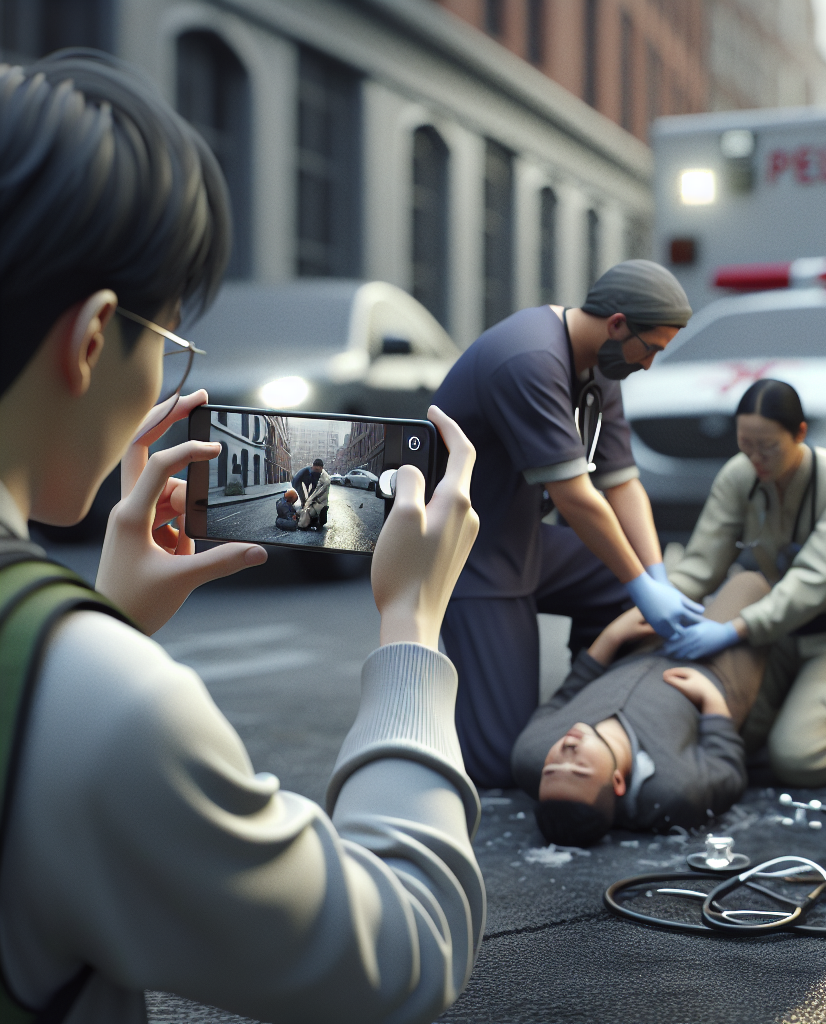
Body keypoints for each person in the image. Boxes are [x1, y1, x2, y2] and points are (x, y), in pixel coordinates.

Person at [0, 51, 484, 1023]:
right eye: (172, 345)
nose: (168, 383)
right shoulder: (96, 703)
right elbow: (406, 947)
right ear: (95, 338)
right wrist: (410, 628)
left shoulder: (77, 677)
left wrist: (103, 620)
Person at [432, 260, 703, 787]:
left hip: (522, 538)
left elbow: (621, 481)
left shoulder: (602, 364)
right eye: (651, 349)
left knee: (626, 592)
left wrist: (655, 577)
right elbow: (576, 497)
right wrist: (642, 586)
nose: (649, 365)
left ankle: (591, 711)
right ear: (619, 324)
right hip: (471, 553)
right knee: (502, 764)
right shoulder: (529, 357)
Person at [663, 379, 826, 787]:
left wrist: (733, 629)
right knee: (726, 735)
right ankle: (804, 698)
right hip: (779, 634)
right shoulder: (741, 475)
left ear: (800, 433)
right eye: (745, 444)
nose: (755, 458)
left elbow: (811, 583)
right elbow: (702, 563)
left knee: (801, 762)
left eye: (767, 446)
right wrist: (661, 608)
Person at [511, 572, 771, 846]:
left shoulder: (530, 752)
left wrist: (611, 637)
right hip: (712, 669)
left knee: (671, 584)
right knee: (749, 584)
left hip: (633, 652)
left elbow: (566, 694)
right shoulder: (674, 790)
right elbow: (728, 770)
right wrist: (712, 702)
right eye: (579, 769)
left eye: (550, 768)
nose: (566, 751)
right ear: (618, 782)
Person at [293, 458, 330, 530]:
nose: (316, 471)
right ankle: (304, 515)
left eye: (318, 470)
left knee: (312, 504)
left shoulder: (324, 478)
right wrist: (303, 500)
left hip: (320, 501)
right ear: (312, 467)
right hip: (298, 481)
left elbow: (317, 491)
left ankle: (312, 516)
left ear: (321, 468)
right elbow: (296, 484)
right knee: (306, 505)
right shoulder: (305, 473)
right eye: (315, 469)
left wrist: (312, 501)